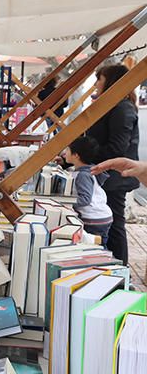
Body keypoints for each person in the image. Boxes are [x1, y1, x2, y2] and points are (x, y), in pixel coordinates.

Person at [84, 63, 139, 263]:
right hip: (106, 175)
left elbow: (117, 147)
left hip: (115, 177)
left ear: (111, 81)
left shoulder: (121, 107)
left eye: (100, 79)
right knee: (112, 223)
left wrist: (84, 154)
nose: (97, 83)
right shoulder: (111, 105)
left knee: (114, 224)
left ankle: (121, 271)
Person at [62, 136, 113, 244]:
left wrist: (65, 201)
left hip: (94, 220)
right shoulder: (87, 170)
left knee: (95, 247)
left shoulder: (83, 175)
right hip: (100, 216)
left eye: (67, 150)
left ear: (76, 155)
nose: (64, 153)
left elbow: (85, 199)